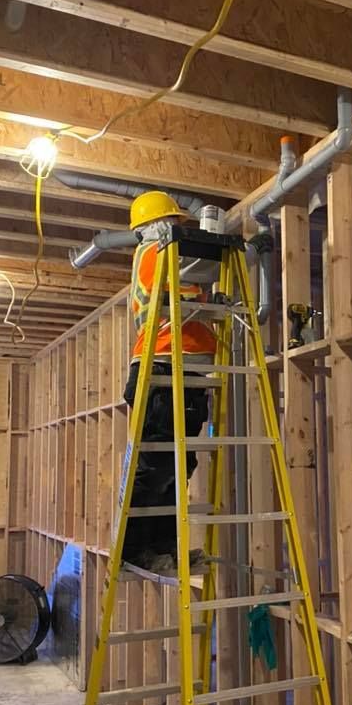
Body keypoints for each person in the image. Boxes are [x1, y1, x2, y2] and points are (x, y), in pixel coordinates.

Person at [121, 191, 272, 573]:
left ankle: (163, 550)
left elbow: (202, 276)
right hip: (161, 370)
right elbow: (210, 265)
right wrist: (250, 250)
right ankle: (132, 551)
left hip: (180, 371)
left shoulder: (166, 254)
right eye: (174, 223)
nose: (178, 228)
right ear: (157, 225)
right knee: (156, 465)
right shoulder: (157, 252)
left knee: (176, 466)